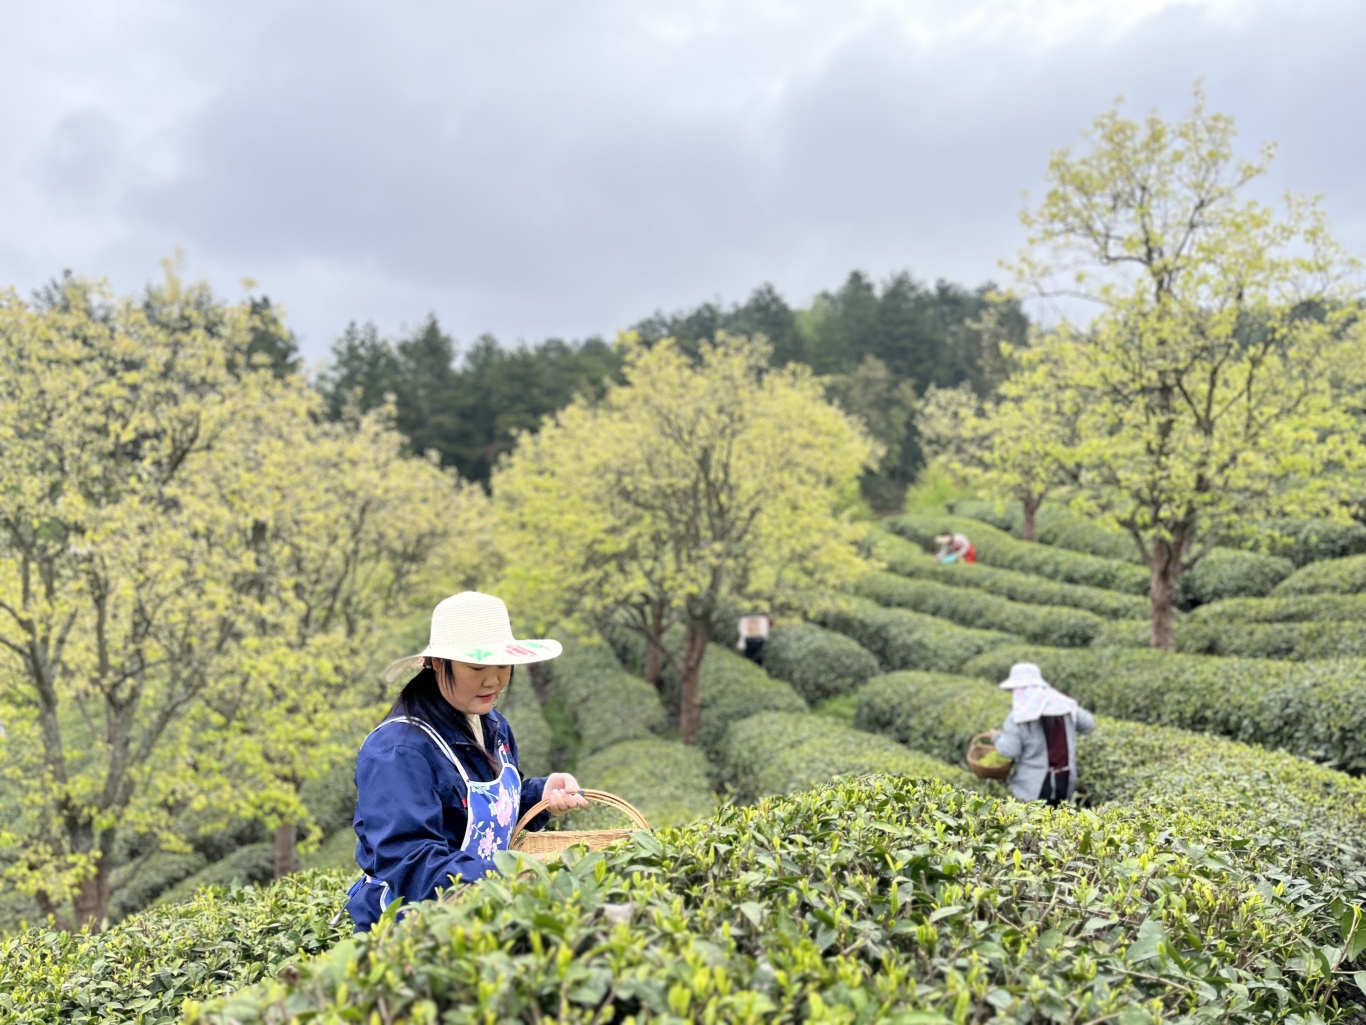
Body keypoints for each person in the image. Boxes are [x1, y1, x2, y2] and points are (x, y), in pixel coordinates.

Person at [344, 591, 588, 931]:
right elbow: (411, 863)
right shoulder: (398, 751)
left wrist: (540, 796)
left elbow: (482, 817)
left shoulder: (492, 724)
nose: (494, 680)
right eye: (477, 666)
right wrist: (507, 876)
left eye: (503, 664)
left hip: (482, 913)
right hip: (410, 933)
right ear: (438, 664)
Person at [990, 662, 1094, 806]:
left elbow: (1010, 750)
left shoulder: (1017, 717)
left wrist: (996, 737)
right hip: (1064, 781)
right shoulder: (1064, 708)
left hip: (1032, 787)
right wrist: (1070, 706)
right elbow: (1088, 725)